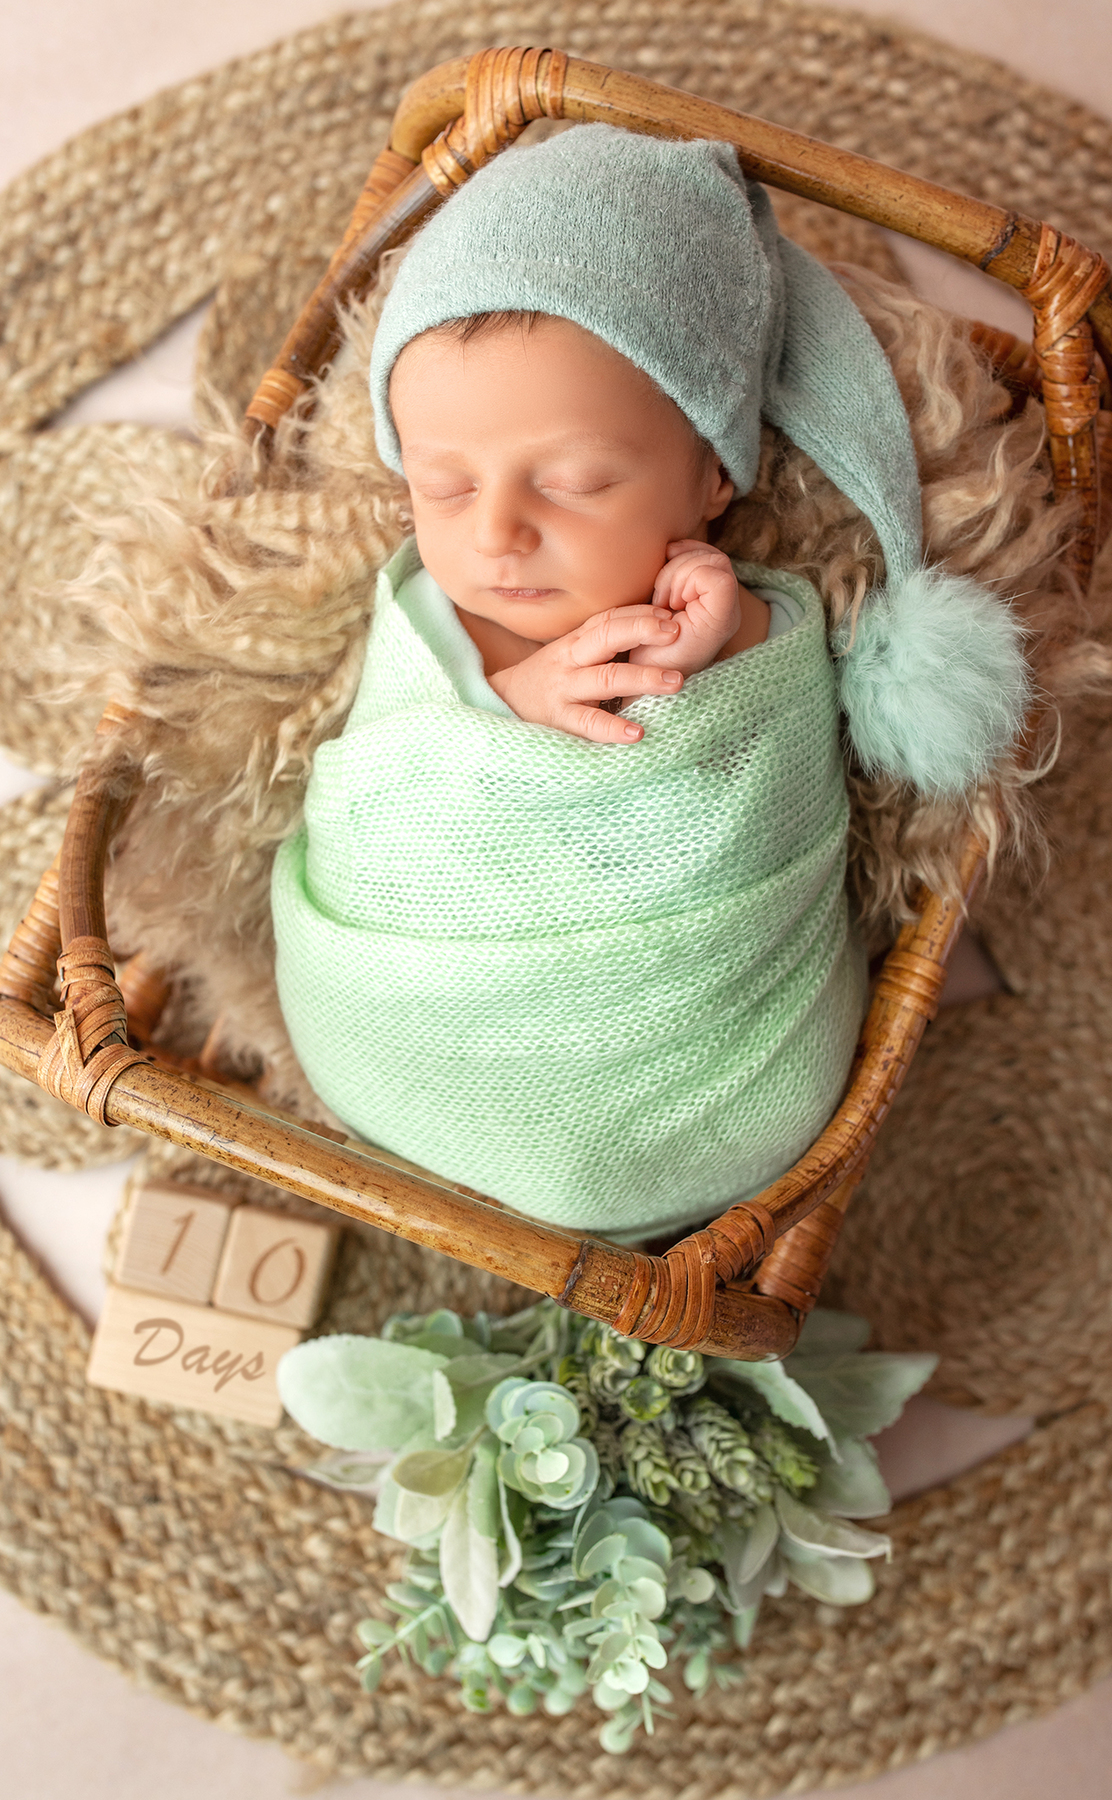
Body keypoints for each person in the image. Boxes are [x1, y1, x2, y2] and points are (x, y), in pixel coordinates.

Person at [266, 124, 1029, 1242]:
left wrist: (719, 654)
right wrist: (512, 707)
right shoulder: (424, 615)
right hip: (394, 1023)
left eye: (575, 484)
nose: (497, 536)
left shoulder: (748, 619)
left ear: (714, 473)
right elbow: (391, 780)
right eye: (441, 484)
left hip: (692, 1073)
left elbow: (752, 785)